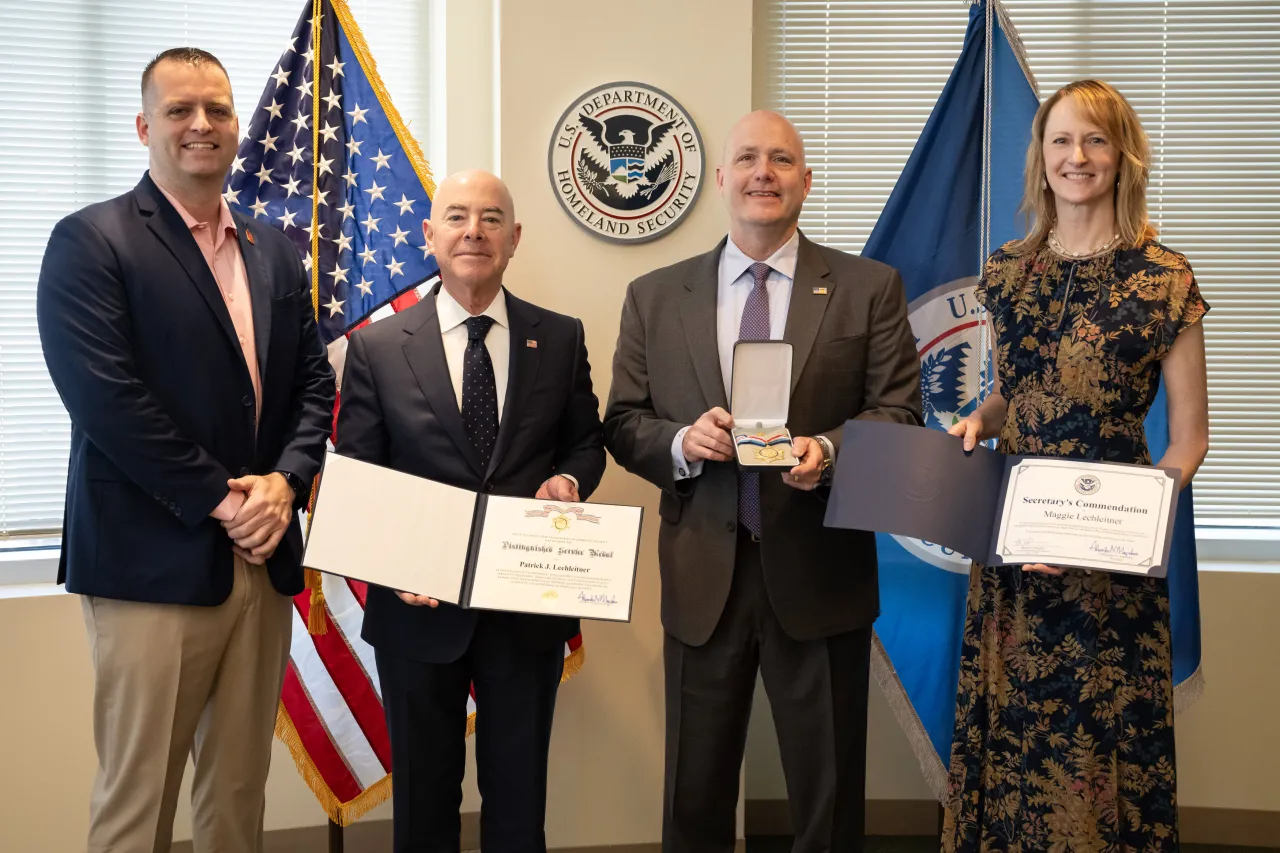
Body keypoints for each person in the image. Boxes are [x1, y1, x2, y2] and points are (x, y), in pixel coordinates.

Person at [35, 47, 335, 852]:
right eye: (179, 110)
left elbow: (313, 387)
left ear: (238, 127)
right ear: (144, 126)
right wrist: (230, 498)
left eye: (217, 110)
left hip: (261, 561)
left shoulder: (275, 249)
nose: (201, 125)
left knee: (237, 794)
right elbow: (109, 403)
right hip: (150, 563)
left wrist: (288, 480)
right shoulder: (90, 243)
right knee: (140, 801)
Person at [604, 111, 922, 853]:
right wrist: (685, 440)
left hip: (821, 571)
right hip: (702, 581)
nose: (762, 173)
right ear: (721, 179)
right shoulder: (655, 294)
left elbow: (902, 411)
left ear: (805, 183)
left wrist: (828, 450)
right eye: (747, 157)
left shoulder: (867, 287)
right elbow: (623, 421)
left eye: (781, 160)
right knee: (694, 795)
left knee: (829, 795)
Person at [942, 79, 1210, 851]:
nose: (1077, 156)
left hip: (1110, 559)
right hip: (1016, 549)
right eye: (1061, 139)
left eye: (1095, 139)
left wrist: (1110, 533)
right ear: (1041, 156)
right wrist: (977, 419)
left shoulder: (1165, 278)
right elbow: (1013, 394)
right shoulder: (1006, 271)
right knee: (1015, 736)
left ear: (1123, 155)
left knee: (1095, 743)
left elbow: (1189, 438)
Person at [337, 170, 606, 853]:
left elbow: (584, 443)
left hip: (526, 610)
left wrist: (570, 481)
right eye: (457, 216)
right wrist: (390, 564)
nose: (474, 231)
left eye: (491, 218)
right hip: (416, 610)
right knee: (424, 807)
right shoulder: (377, 348)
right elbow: (358, 474)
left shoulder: (562, 337)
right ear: (429, 235)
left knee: (519, 807)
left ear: (514, 238)